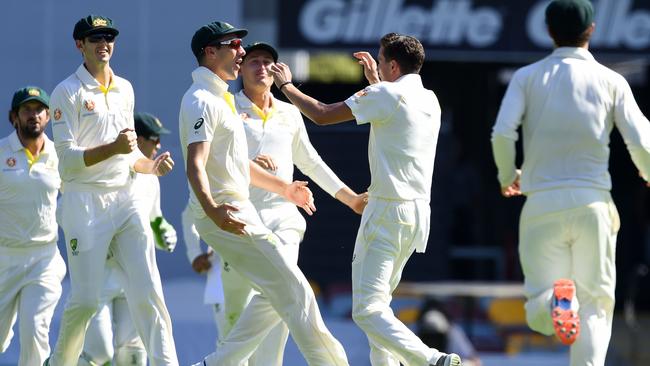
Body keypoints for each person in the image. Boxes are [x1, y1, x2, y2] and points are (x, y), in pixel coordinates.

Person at [270, 33, 461, 366]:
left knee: (367, 311)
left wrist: (286, 86)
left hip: (388, 211)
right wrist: (376, 81)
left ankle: (432, 360)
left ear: (392, 64)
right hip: (416, 216)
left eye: (381, 58)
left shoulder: (385, 94)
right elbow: (392, 118)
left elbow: (322, 113)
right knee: (380, 312)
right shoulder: (429, 98)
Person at [181, 21, 351, 366]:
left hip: (250, 213)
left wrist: (286, 188)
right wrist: (213, 211)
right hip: (231, 214)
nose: (242, 54)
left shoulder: (221, 98)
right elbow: (194, 164)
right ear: (210, 52)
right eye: (236, 47)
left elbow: (239, 165)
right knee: (290, 292)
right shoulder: (201, 99)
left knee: (289, 292)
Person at [491, 0, 650, 365]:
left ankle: (553, 302)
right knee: (595, 306)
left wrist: (506, 176)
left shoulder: (526, 77)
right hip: (593, 203)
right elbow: (641, 140)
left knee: (538, 309)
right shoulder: (612, 80)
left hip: (541, 202)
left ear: (548, 30)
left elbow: (502, 133)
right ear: (591, 30)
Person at [47, 15, 178, 365]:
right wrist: (114, 149)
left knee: (149, 291)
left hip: (124, 200)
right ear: (80, 45)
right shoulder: (66, 91)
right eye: (94, 39)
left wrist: (152, 167)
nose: (103, 44)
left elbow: (131, 151)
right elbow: (67, 162)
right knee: (87, 301)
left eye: (108, 38)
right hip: (84, 201)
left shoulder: (126, 88)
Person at [79, 112, 178, 366]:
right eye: (154, 139)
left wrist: (165, 233)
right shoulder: (107, 169)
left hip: (132, 279)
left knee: (132, 355)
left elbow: (154, 219)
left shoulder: (151, 178)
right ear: (137, 139)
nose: (158, 146)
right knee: (98, 354)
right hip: (101, 277)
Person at [0, 87, 66, 366]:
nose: (34, 115)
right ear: (14, 117)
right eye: (27, 109)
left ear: (48, 116)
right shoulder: (2, 152)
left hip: (44, 259)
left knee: (35, 330)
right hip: (4, 257)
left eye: (39, 109)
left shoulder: (59, 154)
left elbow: (80, 194)